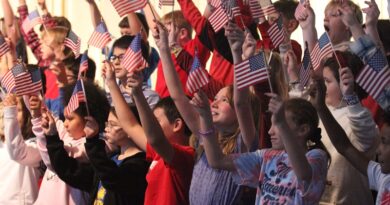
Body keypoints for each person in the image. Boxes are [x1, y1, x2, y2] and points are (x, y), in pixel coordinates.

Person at [153, 20, 262, 204]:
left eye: (225, 100)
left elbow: (242, 102)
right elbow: (178, 96)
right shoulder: (206, 136)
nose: (215, 103)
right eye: (216, 98)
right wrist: (164, 49)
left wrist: (237, 54)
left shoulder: (244, 143)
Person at [103, 59, 195, 205]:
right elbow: (130, 125)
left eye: (156, 121)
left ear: (177, 125)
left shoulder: (186, 156)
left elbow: (155, 139)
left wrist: (138, 94)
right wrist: (112, 83)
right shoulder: (158, 153)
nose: (150, 127)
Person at [44, 104, 149, 205]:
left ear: (131, 128)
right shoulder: (111, 158)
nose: (107, 128)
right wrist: (52, 136)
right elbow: (71, 172)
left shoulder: (140, 164)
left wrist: (92, 141)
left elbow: (111, 178)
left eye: (112, 124)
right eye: (107, 123)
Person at [310, 76, 390, 205]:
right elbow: (344, 147)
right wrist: (321, 107)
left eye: (385, 142)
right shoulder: (383, 177)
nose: (379, 150)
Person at [0, 95, 42, 205]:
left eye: (17, 110)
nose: (7, 115)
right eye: (6, 110)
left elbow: (17, 152)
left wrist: (10, 112)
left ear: (27, 116)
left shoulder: (36, 145)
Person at [106, 35, 160, 108]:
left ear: (138, 60)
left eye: (122, 57)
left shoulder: (150, 96)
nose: (116, 62)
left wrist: (137, 99)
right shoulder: (110, 96)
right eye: (114, 57)